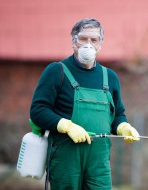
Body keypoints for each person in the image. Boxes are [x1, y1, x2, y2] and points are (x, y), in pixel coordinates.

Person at [30, 18, 140, 190]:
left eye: (94, 40)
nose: (88, 44)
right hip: (65, 159)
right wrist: (66, 126)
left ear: (100, 45)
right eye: (83, 39)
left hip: (99, 162)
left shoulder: (109, 77)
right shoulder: (56, 71)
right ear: (74, 41)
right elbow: (38, 111)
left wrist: (124, 126)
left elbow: (117, 114)